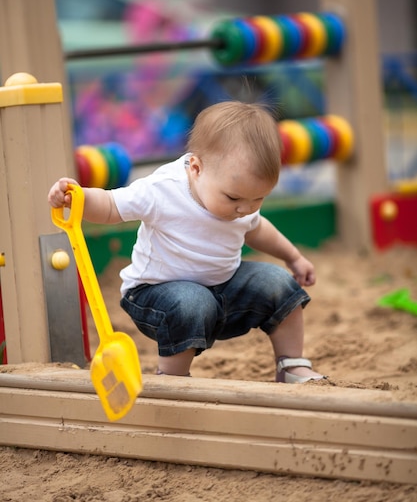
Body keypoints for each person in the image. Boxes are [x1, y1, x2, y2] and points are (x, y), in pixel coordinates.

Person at [48, 101, 326, 383]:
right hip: (156, 296)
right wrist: (79, 198)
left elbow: (257, 229)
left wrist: (293, 257)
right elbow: (110, 206)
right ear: (196, 168)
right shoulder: (162, 190)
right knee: (192, 301)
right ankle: (174, 380)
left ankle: (291, 366)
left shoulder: (241, 199)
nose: (246, 209)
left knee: (279, 284)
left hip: (223, 292)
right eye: (234, 199)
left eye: (259, 198)